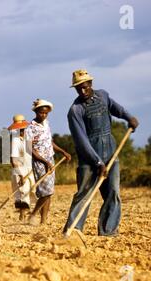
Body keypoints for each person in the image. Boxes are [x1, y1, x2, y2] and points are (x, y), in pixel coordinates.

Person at [63, 69, 139, 237]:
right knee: (84, 194)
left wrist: (129, 117)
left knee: (113, 192)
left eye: (85, 86)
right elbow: (81, 141)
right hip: (89, 158)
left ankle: (108, 231)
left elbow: (116, 108)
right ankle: (73, 231)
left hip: (111, 151)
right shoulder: (75, 110)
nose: (83, 91)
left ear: (91, 83)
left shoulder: (103, 96)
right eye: (78, 88)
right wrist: (97, 162)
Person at [27, 99, 72, 226]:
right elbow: (30, 149)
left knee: (49, 191)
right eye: (41, 113)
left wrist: (63, 151)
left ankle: (43, 221)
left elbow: (49, 142)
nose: (44, 115)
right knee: (46, 192)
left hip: (50, 159)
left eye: (46, 113)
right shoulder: (30, 128)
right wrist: (44, 162)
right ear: (36, 112)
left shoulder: (46, 124)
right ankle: (33, 214)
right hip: (39, 162)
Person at [8, 114, 35, 221]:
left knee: (31, 192)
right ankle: (22, 215)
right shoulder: (15, 141)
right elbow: (13, 161)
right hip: (20, 171)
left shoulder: (27, 139)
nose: (22, 130)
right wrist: (20, 175)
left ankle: (26, 214)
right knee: (23, 193)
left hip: (29, 169)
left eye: (23, 128)